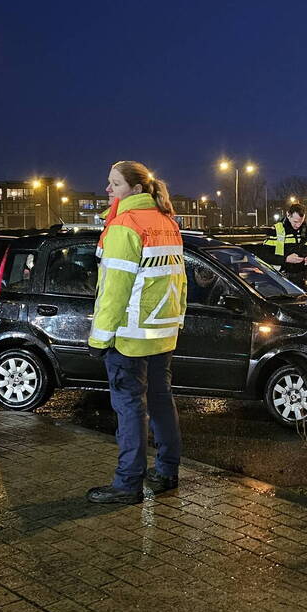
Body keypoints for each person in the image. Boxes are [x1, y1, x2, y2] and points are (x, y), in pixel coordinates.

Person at [86, 161, 187, 505]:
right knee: (161, 401)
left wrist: (99, 339)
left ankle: (128, 483)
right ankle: (168, 471)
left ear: (136, 189)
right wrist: (178, 321)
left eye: (115, 183)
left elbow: (114, 292)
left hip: (128, 336)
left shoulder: (124, 226)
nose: (108, 189)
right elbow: (180, 280)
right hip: (162, 332)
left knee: (130, 408)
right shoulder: (168, 223)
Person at [263, 203, 307, 289]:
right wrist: (286, 259)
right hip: (281, 278)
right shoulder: (276, 231)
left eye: (301, 221)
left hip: (303, 279)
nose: (298, 225)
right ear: (288, 215)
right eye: (295, 222)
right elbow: (265, 256)